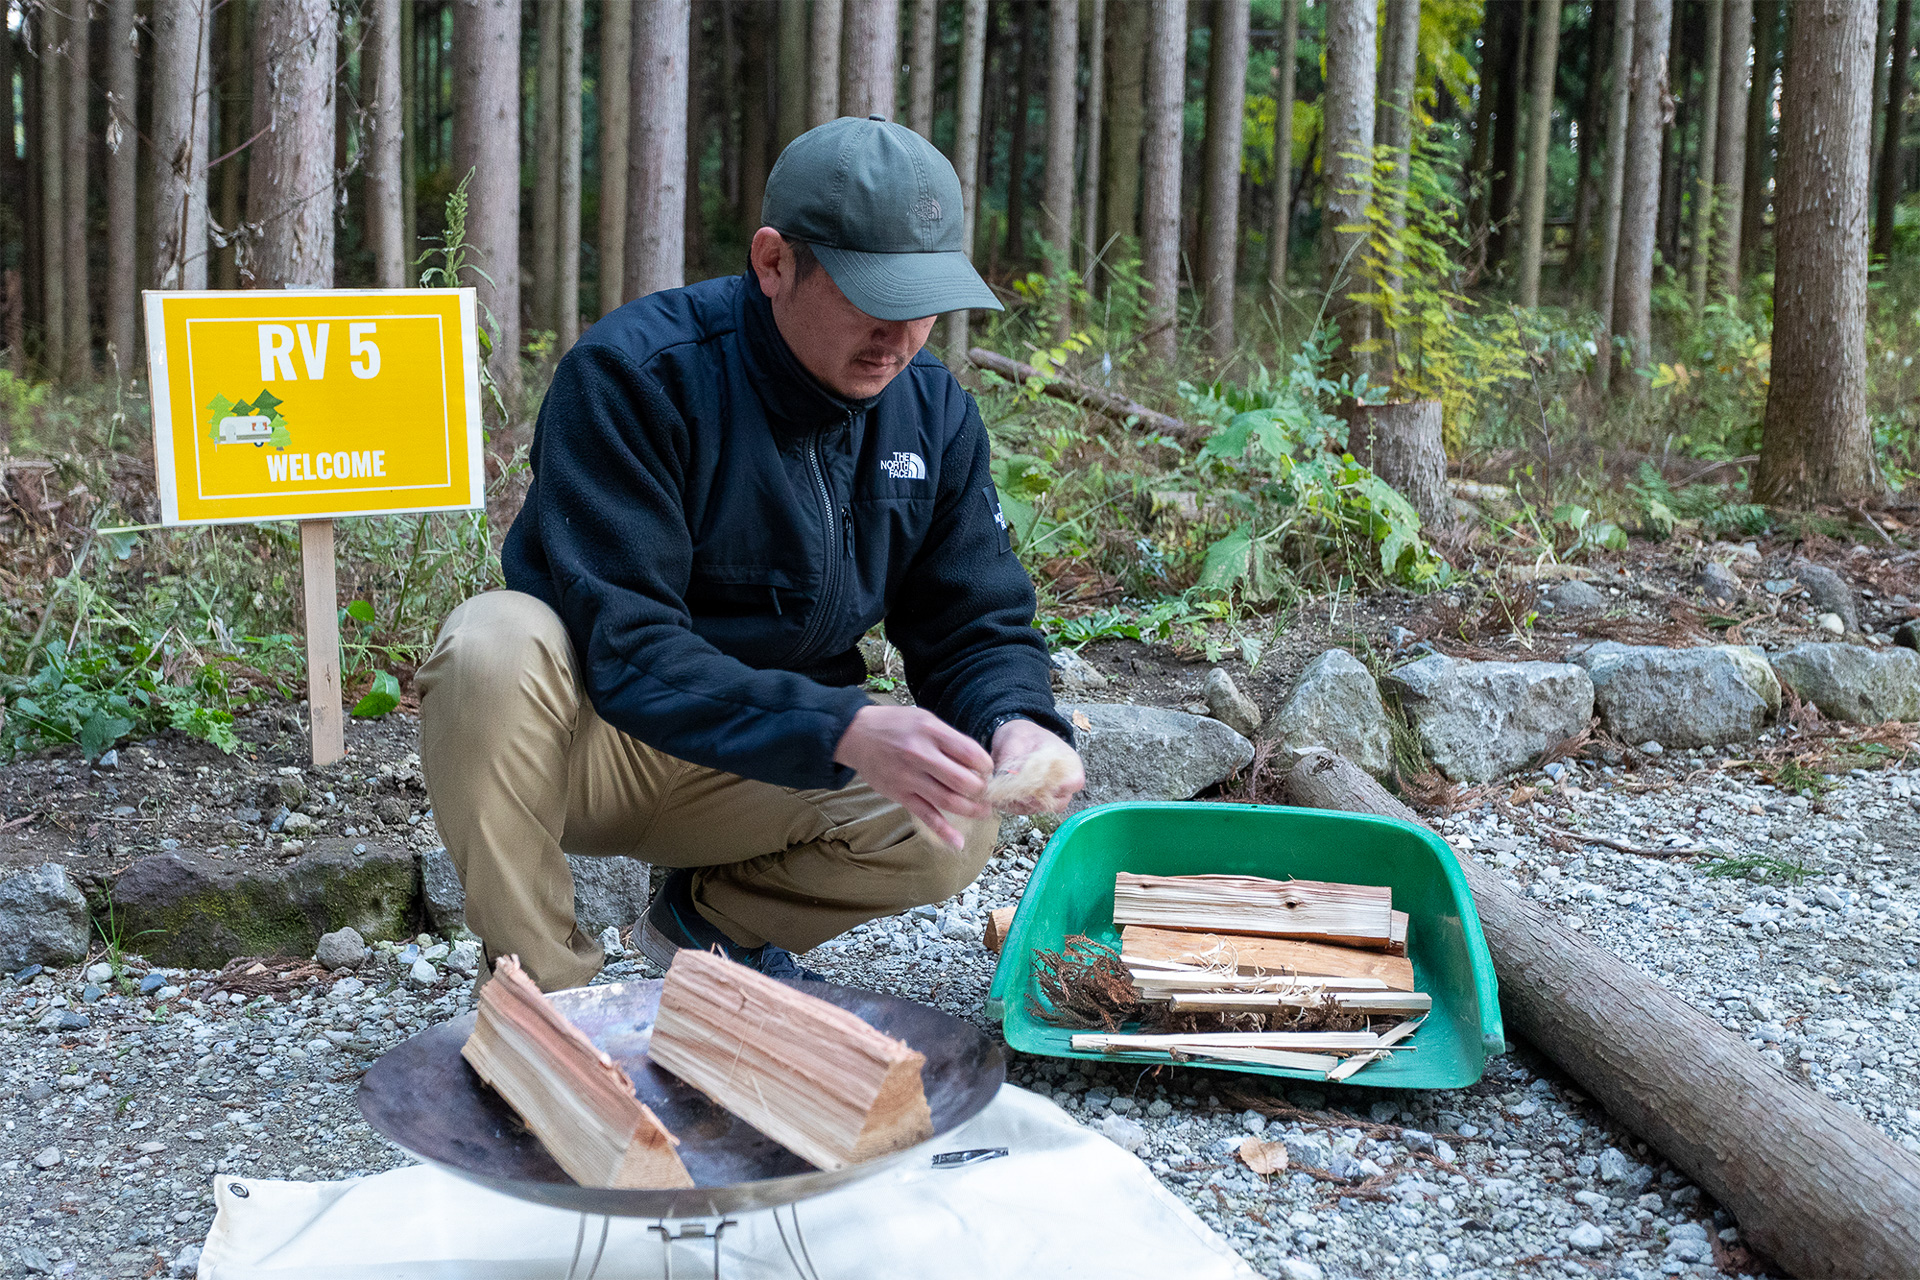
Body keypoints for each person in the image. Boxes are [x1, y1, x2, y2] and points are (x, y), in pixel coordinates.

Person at [417, 116, 1085, 992]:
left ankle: (707, 930)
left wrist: (1015, 720)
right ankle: (548, 1000)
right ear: (774, 263)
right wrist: (844, 728)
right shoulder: (635, 377)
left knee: (945, 816)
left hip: (762, 767)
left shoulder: (932, 416)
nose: (899, 334)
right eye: (871, 297)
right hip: (595, 747)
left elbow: (974, 622)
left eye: (920, 302)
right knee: (491, 644)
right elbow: (629, 651)